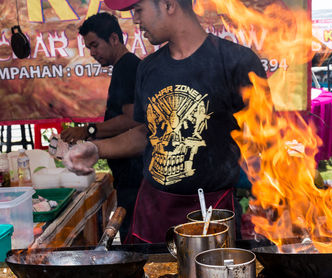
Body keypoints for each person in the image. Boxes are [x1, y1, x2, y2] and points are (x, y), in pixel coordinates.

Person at [63, 0, 266, 243]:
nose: (135, 20)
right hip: (154, 209)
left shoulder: (237, 62)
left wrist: (266, 200)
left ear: (169, 4)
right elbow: (144, 134)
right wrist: (97, 148)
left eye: (138, 10)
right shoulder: (149, 68)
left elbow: (262, 140)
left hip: (213, 211)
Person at [60, 12, 143, 241]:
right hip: (130, 172)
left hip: (135, 174)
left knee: (132, 240)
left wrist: (88, 130)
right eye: (89, 48)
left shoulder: (127, 67)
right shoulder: (124, 66)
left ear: (114, 39)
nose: (92, 53)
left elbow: (132, 120)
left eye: (95, 45)